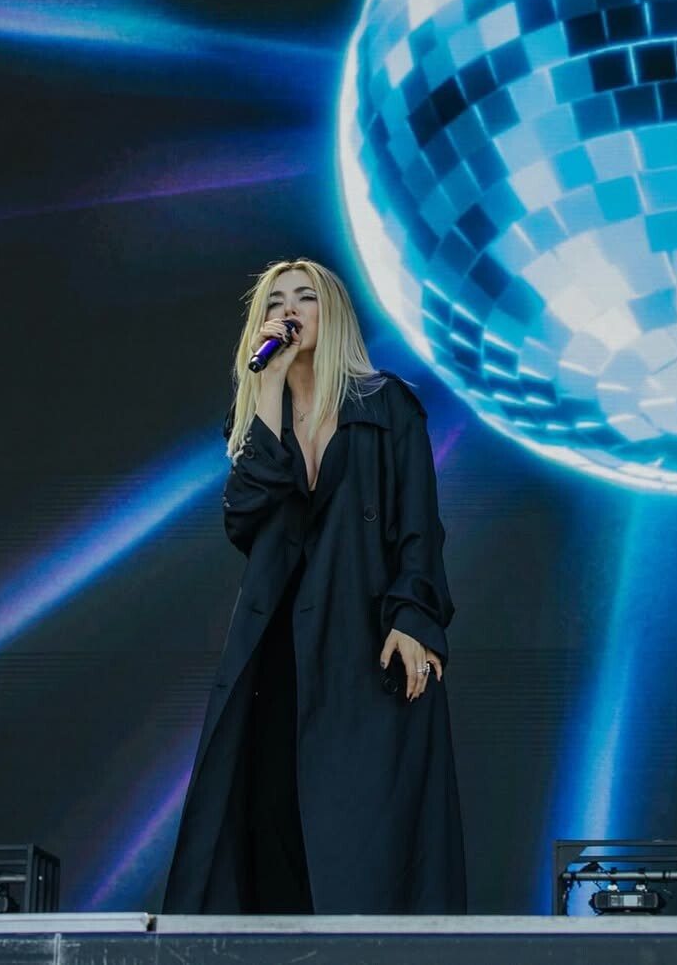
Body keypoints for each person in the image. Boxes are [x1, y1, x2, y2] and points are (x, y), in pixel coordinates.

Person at [163, 258, 466, 914]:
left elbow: (419, 522)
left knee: (365, 827)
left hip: (364, 638)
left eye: (305, 297)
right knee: (274, 816)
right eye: (276, 302)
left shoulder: (386, 404)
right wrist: (268, 388)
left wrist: (413, 616)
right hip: (280, 643)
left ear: (333, 316)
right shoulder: (255, 418)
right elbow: (244, 521)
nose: (289, 310)